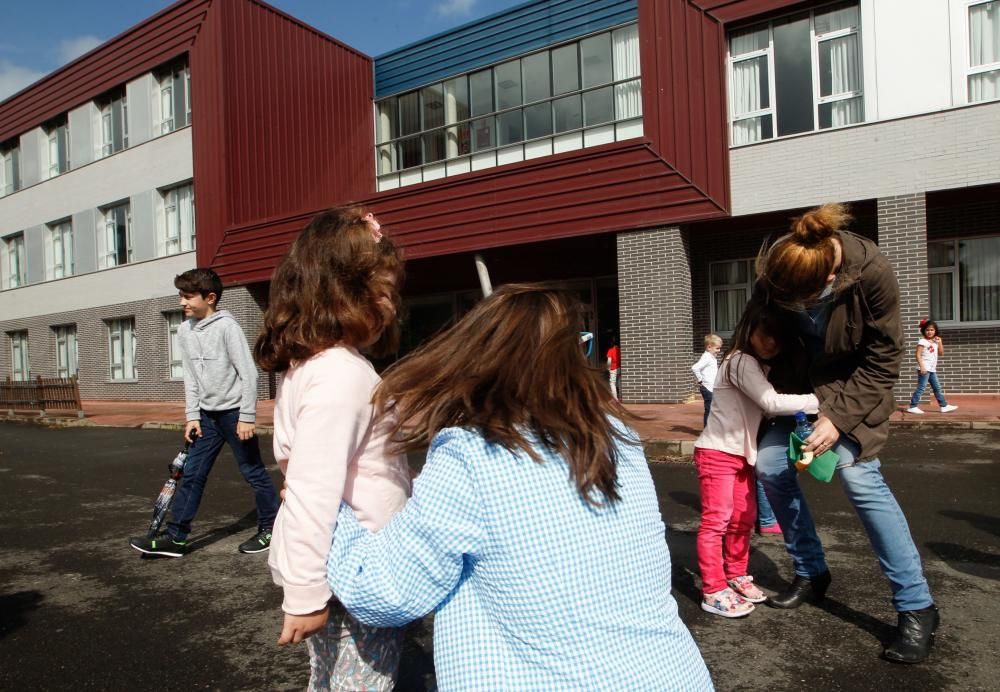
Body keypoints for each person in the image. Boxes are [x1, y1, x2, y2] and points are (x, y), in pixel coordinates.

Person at [326, 284, 713, 691]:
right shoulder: (618, 438)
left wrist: (335, 514)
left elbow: (387, 591)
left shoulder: (471, 454)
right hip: (672, 675)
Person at [754, 202, 939, 664]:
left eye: (803, 301)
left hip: (855, 390)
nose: (795, 308)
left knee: (859, 478)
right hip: (800, 389)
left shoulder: (873, 272)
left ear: (829, 278)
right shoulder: (783, 267)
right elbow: (755, 326)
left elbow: (883, 360)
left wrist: (836, 420)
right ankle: (811, 572)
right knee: (771, 465)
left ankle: (916, 605)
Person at [254, 208, 412, 691]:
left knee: (333, 677)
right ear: (347, 293)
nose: (391, 307)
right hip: (357, 567)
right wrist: (305, 594)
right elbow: (310, 487)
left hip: (342, 558)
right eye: (383, 292)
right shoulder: (341, 373)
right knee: (360, 682)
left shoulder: (313, 366)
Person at [129, 269, 279, 557]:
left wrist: (248, 415)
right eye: (180, 296)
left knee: (253, 472)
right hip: (207, 418)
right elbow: (190, 377)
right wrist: (192, 416)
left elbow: (249, 374)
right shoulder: (184, 330)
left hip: (235, 415)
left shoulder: (227, 327)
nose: (182, 302)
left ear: (210, 298)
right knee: (193, 474)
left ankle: (271, 527)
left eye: (187, 296)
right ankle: (176, 538)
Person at [694, 299, 818, 618]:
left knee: (743, 519)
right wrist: (825, 401)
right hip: (718, 452)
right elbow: (771, 402)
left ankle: (735, 575)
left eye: (780, 337)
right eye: (767, 334)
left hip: (741, 456)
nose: (772, 342)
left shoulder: (759, 366)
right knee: (717, 521)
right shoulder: (739, 362)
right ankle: (713, 589)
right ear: (750, 330)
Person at [907, 319, 958, 414]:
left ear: (935, 331)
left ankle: (944, 406)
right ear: (923, 331)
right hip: (924, 368)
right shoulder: (922, 341)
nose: (930, 332)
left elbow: (941, 353)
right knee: (921, 387)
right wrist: (922, 367)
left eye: (932, 330)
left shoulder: (935, 342)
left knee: (937, 388)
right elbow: (918, 354)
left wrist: (940, 342)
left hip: (932, 369)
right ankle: (912, 406)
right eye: (927, 330)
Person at [691, 334, 722, 427]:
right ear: (709, 347)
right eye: (717, 348)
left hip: (711, 387)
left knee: (712, 409)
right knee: (709, 409)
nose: (719, 351)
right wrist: (700, 380)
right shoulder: (707, 357)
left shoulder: (711, 357)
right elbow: (695, 367)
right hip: (707, 388)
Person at [606, 333, 621, 399]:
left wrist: (608, 368)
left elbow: (609, 360)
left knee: (612, 383)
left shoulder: (610, 350)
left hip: (613, 369)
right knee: (619, 382)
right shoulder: (620, 350)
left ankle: (615, 399)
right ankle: (621, 396)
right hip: (620, 368)